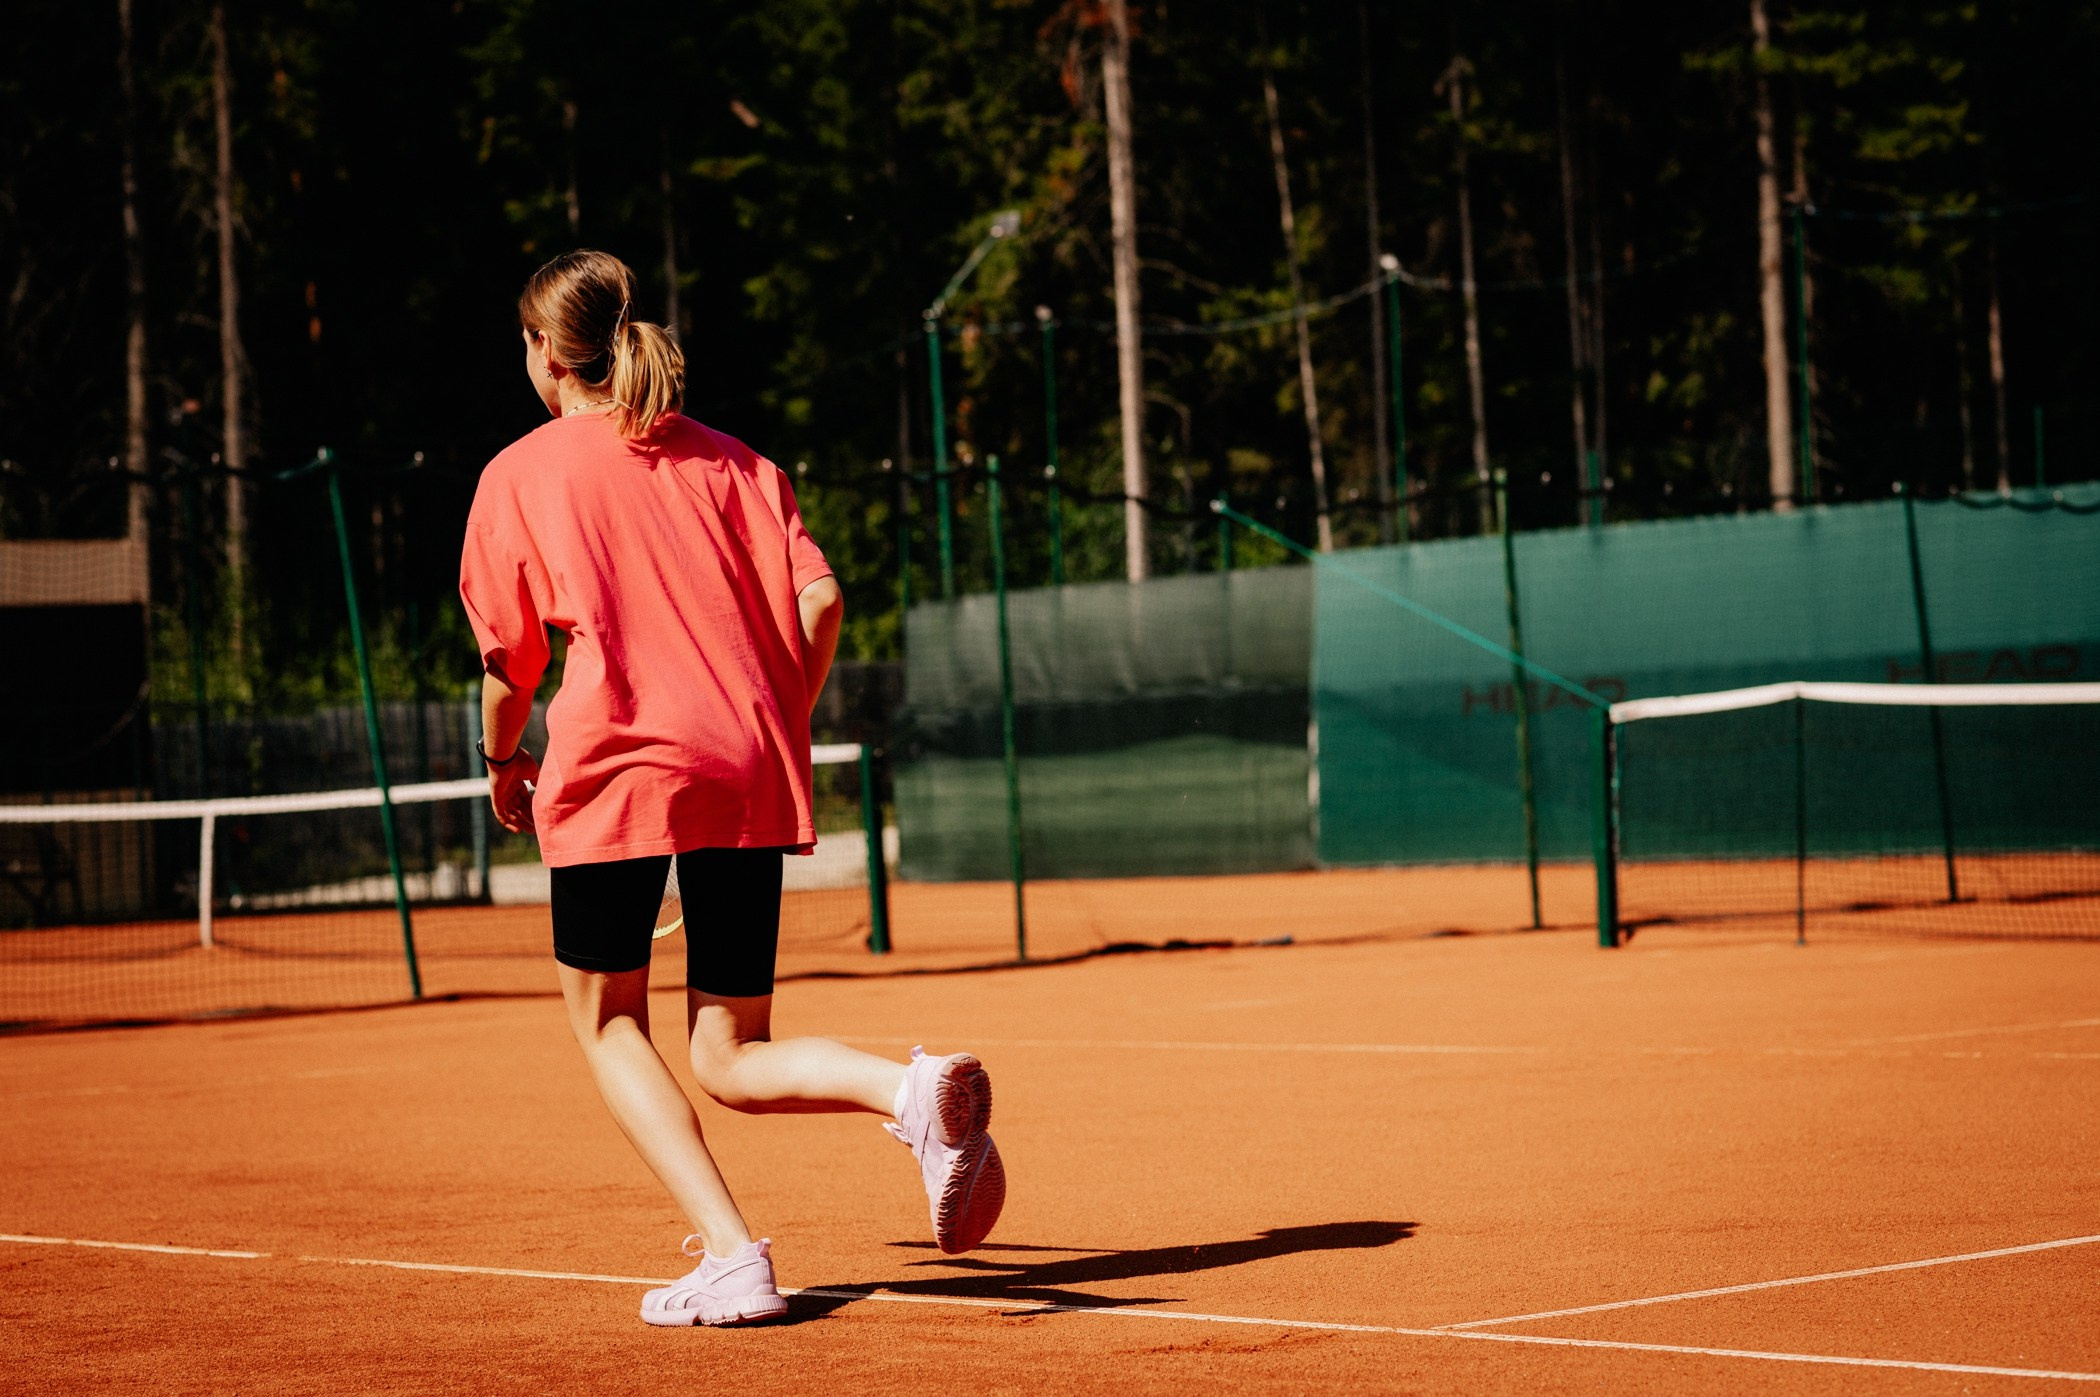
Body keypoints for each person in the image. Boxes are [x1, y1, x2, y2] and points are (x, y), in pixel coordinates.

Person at [458, 249, 1004, 1328]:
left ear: (545, 353)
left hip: (618, 770)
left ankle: (730, 1254)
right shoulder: (739, 463)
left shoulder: (518, 475)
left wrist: (504, 762)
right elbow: (822, 600)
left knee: (612, 1022)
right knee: (729, 1050)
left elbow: (508, 666)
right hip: (748, 762)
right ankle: (908, 1091)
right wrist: (773, 718)